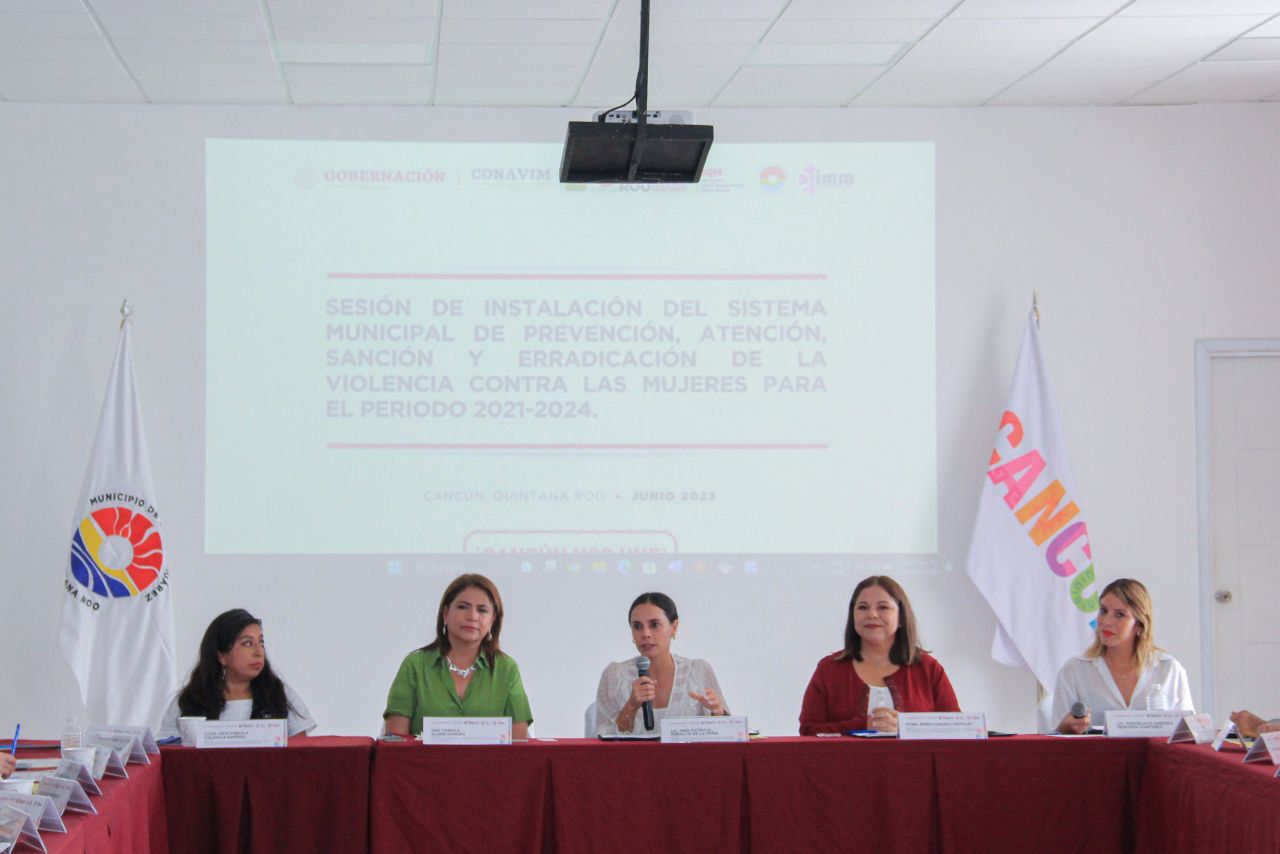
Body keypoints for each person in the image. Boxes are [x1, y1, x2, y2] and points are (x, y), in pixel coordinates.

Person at [800, 575, 959, 735]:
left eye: (883, 607)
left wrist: (906, 726)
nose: (872, 615)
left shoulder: (928, 668)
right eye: (863, 607)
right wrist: (862, 725)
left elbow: (956, 729)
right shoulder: (829, 669)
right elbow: (808, 731)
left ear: (901, 618)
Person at [384, 573, 532, 738]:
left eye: (482, 610)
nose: (472, 617)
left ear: (492, 620)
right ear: (445, 613)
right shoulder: (415, 665)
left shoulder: (506, 669)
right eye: (463, 607)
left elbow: (520, 743)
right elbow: (395, 741)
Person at [1051, 578, 1193, 734]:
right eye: (1103, 611)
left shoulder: (1168, 669)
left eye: (1119, 615)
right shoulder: (1075, 670)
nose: (1106, 622)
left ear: (1139, 625)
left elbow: (1186, 734)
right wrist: (1066, 728)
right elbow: (1054, 735)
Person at [159, 608, 315, 739]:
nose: (259, 652)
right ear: (221, 655)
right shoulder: (190, 700)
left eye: (261, 642)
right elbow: (168, 753)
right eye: (248, 643)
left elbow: (299, 755)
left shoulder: (279, 694)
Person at [594, 592, 729, 735]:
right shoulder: (615, 675)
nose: (646, 634)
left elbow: (731, 735)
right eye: (637, 626)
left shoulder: (698, 670)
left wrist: (718, 714)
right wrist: (631, 706)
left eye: (654, 625)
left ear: (674, 627)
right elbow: (599, 739)